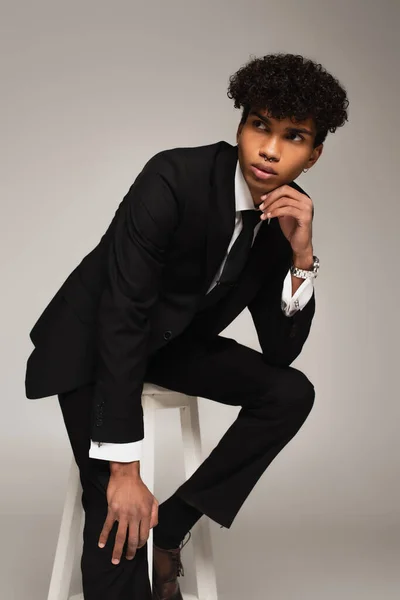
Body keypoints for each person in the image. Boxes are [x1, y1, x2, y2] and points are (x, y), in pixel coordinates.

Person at [25, 52, 349, 599]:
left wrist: (302, 257)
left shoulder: (286, 218)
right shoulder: (173, 177)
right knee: (116, 511)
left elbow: (280, 351)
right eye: (260, 126)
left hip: (172, 343)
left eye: (293, 137)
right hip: (92, 342)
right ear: (241, 125)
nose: (270, 150)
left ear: (314, 154)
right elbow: (122, 315)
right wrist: (124, 470)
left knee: (290, 393)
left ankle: (172, 526)